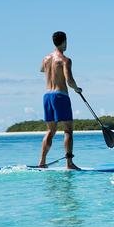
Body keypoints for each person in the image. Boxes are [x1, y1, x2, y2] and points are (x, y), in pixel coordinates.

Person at [38, 31, 83, 169]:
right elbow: (69, 80)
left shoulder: (45, 59)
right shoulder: (65, 60)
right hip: (60, 96)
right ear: (64, 41)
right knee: (68, 130)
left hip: (47, 96)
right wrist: (77, 89)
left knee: (50, 131)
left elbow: (42, 70)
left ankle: (42, 162)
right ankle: (69, 163)